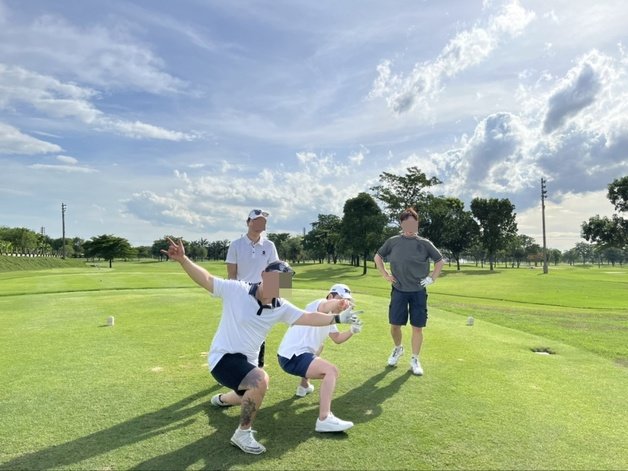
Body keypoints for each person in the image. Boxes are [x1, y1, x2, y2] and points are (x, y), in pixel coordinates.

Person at [161, 237, 360, 455]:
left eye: (284, 282)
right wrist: (183, 259)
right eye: (276, 279)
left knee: (245, 394)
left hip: (246, 363)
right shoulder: (237, 290)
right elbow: (207, 279)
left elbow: (309, 316)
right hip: (223, 358)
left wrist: (339, 320)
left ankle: (221, 400)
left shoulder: (280, 306)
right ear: (264, 276)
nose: (279, 285)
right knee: (260, 380)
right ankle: (242, 433)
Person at [277, 283, 361, 433]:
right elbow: (324, 305)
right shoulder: (317, 304)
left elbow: (337, 338)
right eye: (340, 298)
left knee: (320, 346)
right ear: (330, 296)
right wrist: (338, 303)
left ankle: (303, 386)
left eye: (346, 300)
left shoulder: (331, 319)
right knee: (331, 371)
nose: (343, 303)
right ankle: (324, 418)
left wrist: (352, 330)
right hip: (293, 356)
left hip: (294, 356)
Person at [373, 208, 444, 376]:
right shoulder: (393, 241)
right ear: (402, 224)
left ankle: (415, 359)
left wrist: (432, 278)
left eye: (413, 222)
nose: (410, 226)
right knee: (395, 326)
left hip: (418, 291)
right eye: (407, 223)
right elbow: (378, 256)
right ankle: (398, 349)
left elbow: (439, 260)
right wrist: (385, 274)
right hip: (399, 289)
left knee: (417, 327)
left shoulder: (424, 243)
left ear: (417, 223)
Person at [225, 209, 279, 368]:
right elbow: (231, 274)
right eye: (256, 220)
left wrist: (273, 297)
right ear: (248, 222)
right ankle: (236, 366)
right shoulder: (236, 245)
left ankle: (258, 367)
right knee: (239, 330)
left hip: (262, 293)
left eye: (263, 221)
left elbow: (274, 271)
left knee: (260, 330)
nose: (260, 224)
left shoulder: (270, 245)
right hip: (241, 292)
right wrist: (231, 298)